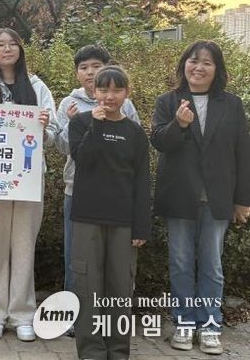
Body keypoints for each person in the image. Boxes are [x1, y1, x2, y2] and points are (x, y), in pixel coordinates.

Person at [151, 40, 250, 356]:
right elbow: (159, 142)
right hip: (179, 196)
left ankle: (210, 326)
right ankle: (183, 323)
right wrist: (179, 124)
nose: (199, 67)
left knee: (212, 265)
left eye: (207, 62)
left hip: (218, 197)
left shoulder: (231, 104)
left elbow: (242, 153)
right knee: (180, 263)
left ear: (217, 69)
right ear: (184, 64)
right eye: (194, 60)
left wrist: (243, 200)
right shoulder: (168, 101)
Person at [0, 27, 58, 342]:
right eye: (0, 44)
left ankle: (22, 314)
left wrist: (44, 127)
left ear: (20, 49)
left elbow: (54, 133)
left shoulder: (37, 86)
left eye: (13, 44)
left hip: (29, 177)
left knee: (24, 246)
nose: (7, 49)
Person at [54, 45, 140, 332]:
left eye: (95, 66)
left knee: (113, 264)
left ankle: (106, 320)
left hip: (116, 194)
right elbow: (64, 147)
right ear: (77, 73)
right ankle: (75, 319)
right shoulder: (70, 103)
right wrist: (73, 123)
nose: (90, 72)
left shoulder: (125, 104)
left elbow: (134, 144)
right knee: (76, 259)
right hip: (77, 190)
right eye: (84, 68)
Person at [69, 65, 151, 360]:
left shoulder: (135, 133)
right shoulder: (81, 123)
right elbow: (82, 159)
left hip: (123, 221)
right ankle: (91, 352)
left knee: (120, 289)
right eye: (103, 89)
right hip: (87, 217)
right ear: (94, 91)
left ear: (127, 93)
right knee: (87, 286)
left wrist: (141, 226)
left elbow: (142, 181)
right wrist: (96, 124)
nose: (110, 96)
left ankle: (117, 351)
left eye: (117, 90)